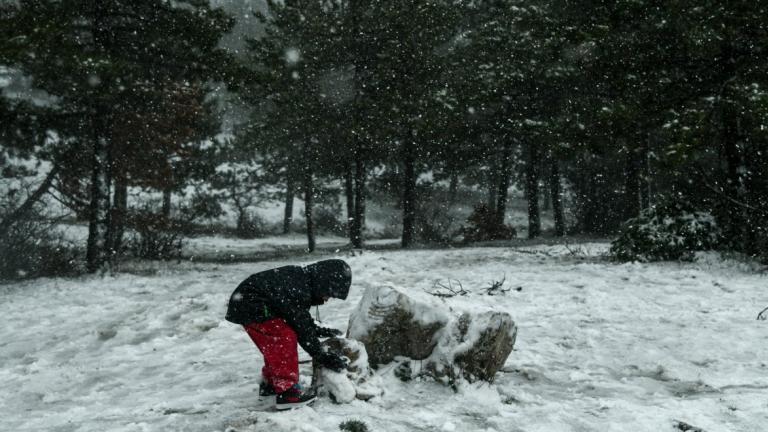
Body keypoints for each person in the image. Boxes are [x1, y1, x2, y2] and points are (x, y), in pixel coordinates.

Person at [225, 259, 351, 410]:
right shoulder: (298, 288)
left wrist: (320, 331)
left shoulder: (301, 282)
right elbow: (302, 329)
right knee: (284, 337)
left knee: (274, 344)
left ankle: (270, 384)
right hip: (252, 305)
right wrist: (323, 356)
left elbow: (300, 319)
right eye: (329, 293)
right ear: (323, 283)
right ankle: (287, 392)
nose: (327, 299)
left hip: (245, 303)